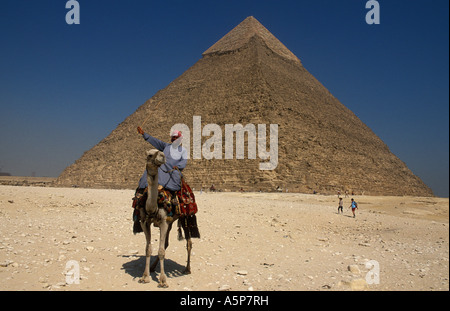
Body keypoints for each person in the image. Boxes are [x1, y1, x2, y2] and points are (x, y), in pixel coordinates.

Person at [132, 127, 188, 233]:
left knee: (176, 179)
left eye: (177, 138)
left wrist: (177, 167)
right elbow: (155, 141)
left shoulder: (183, 151)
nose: (174, 139)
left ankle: (174, 204)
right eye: (173, 138)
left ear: (180, 139)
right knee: (146, 177)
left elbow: (183, 162)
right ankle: (138, 206)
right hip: (161, 168)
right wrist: (144, 134)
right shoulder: (166, 146)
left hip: (172, 171)